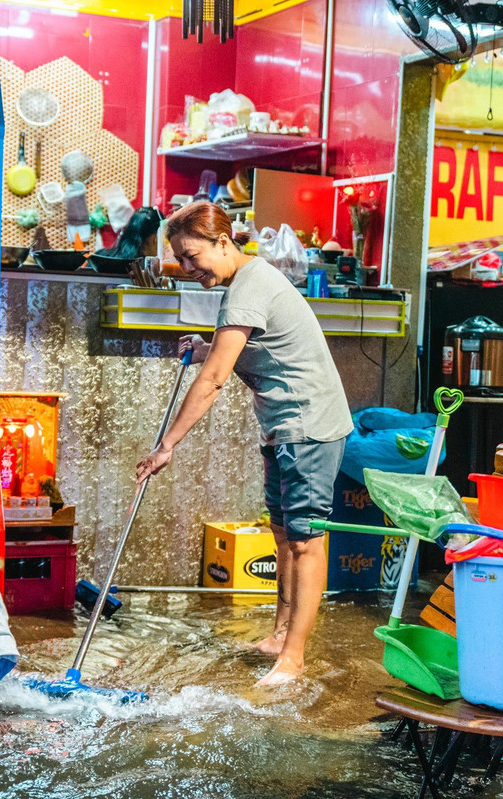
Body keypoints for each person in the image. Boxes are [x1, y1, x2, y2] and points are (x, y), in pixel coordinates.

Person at [136, 201, 353, 686]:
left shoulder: (246, 291)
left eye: (193, 257)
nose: (189, 270)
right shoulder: (247, 281)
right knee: (282, 534)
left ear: (223, 242)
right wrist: (203, 347)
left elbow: (215, 379)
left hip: (308, 427)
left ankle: (293, 658)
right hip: (283, 426)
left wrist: (167, 445)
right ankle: (280, 633)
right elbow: (239, 349)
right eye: (182, 261)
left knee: (306, 541)